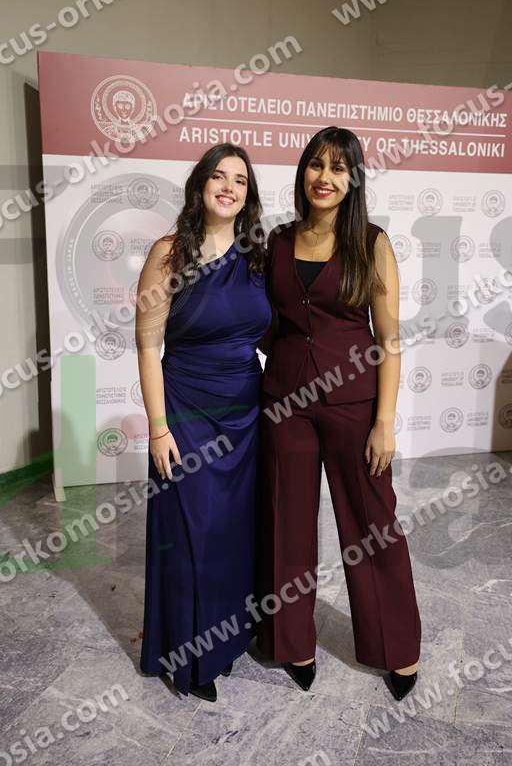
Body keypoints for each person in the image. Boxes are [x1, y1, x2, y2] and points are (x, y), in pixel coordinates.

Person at [257, 126, 421, 701]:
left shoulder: (372, 243)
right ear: (302, 171)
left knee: (373, 525)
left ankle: (396, 648)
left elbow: (389, 339)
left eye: (338, 168)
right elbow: (263, 320)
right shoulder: (277, 241)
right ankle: (292, 642)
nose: (324, 177)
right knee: (286, 523)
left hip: (355, 405)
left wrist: (384, 421)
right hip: (285, 406)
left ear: (353, 180)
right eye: (316, 165)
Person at [136, 143, 272, 702]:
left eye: (239, 180)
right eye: (218, 176)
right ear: (200, 185)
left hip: (246, 414)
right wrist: (158, 428)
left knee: (232, 534)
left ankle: (228, 639)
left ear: (248, 195)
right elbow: (148, 346)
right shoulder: (168, 253)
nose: (228, 187)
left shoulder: (258, 256)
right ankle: (189, 657)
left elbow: (271, 335)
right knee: (191, 531)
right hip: (186, 410)